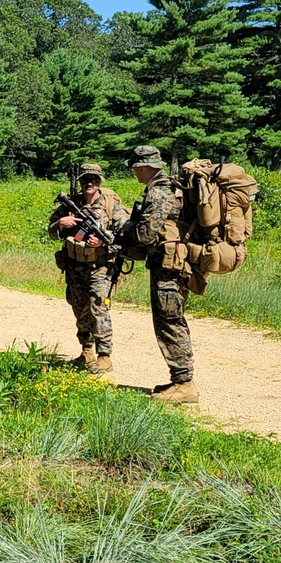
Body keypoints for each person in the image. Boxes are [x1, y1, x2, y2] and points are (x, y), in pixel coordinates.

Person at [118, 145, 199, 403]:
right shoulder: (170, 187)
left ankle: (184, 384)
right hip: (169, 264)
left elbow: (145, 234)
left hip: (168, 267)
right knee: (170, 319)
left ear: (141, 167)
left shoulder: (160, 192)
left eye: (135, 169)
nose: (135, 173)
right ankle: (180, 378)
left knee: (169, 320)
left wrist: (127, 228)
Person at [48, 164, 130, 374]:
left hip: (100, 268)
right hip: (75, 267)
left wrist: (103, 242)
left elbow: (125, 236)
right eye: (85, 180)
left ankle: (104, 356)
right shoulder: (71, 205)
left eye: (93, 179)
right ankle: (86, 351)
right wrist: (60, 224)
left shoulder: (111, 206)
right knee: (79, 307)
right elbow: (51, 231)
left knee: (98, 308)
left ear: (100, 181)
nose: (89, 183)